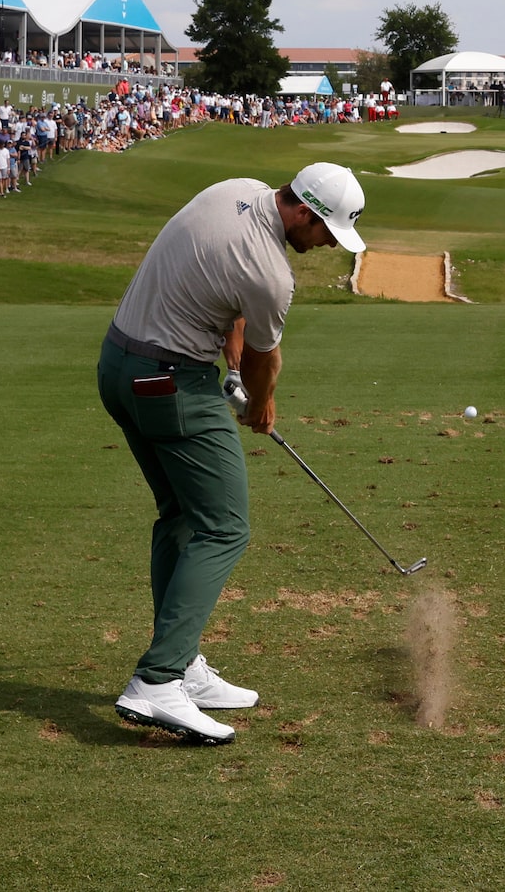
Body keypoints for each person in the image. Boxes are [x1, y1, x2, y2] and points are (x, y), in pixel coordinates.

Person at [99, 161, 368, 745]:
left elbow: (226, 304)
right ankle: (158, 680)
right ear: (304, 212)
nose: (323, 245)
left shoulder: (238, 191)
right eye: (324, 232)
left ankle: (181, 661)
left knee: (181, 516)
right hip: (169, 382)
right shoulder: (274, 273)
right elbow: (264, 363)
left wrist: (230, 364)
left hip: (118, 367)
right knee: (225, 526)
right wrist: (259, 405)